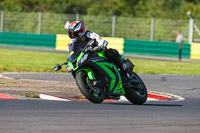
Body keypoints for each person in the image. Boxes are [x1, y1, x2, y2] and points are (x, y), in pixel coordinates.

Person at [66, 21, 134, 79]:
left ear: (81, 31)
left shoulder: (90, 34)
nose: (72, 36)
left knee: (110, 52)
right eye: (71, 33)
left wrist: (101, 45)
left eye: (74, 34)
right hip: (85, 58)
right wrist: (69, 63)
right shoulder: (71, 44)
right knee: (74, 70)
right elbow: (71, 54)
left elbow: (100, 40)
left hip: (97, 53)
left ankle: (126, 71)